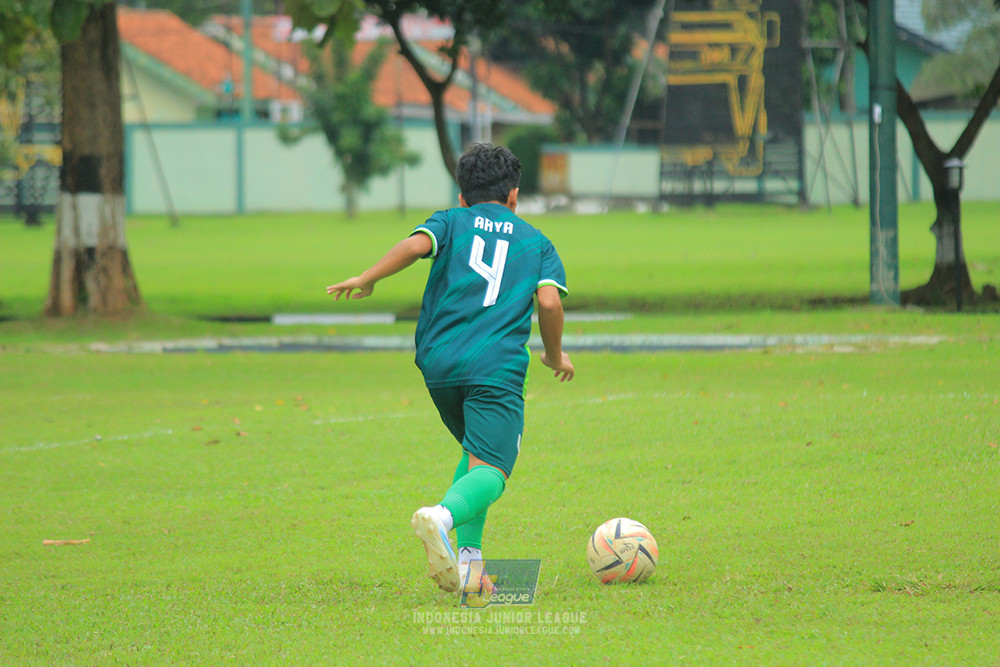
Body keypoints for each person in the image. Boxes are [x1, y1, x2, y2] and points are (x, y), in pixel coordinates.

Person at [327, 143, 575, 595]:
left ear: (462, 196)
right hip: (494, 366)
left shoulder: (450, 220)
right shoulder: (536, 242)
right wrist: (555, 355)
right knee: (494, 469)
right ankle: (441, 517)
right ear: (514, 195)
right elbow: (549, 302)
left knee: (475, 452)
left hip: (438, 362)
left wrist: (368, 277)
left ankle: (470, 564)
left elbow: (414, 246)